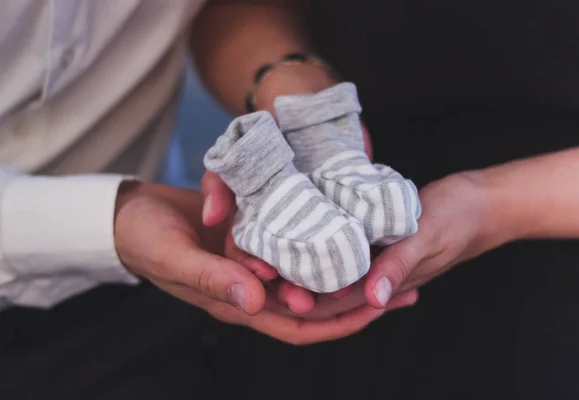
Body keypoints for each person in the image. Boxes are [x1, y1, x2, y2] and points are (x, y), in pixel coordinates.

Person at [0, 1, 419, 398]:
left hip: (139, 292)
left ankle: (275, 179)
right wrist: (111, 220)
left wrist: (285, 81)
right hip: (133, 233)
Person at [200, 0, 579, 399]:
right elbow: (227, 10)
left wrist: (489, 204)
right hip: (356, 151)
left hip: (571, 236)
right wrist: (286, 79)